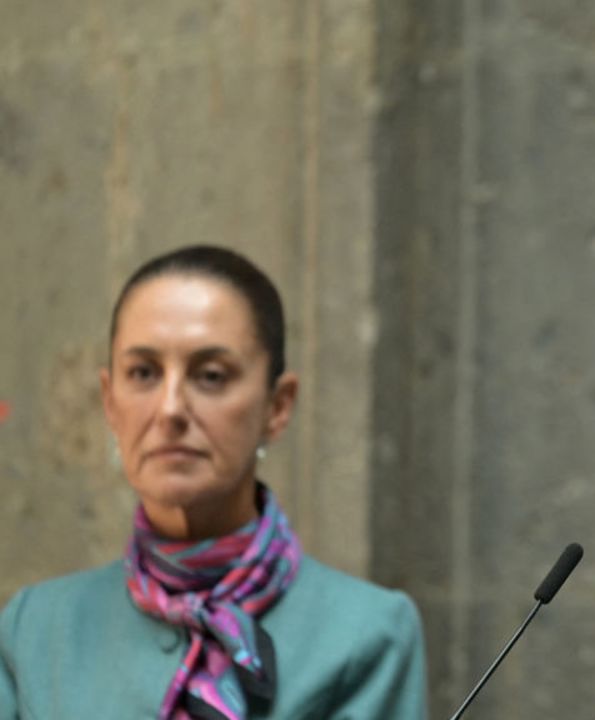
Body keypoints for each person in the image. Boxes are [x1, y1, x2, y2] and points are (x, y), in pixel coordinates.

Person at [0, 246, 426, 718]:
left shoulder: (369, 634)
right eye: (143, 373)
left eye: (211, 375)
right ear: (109, 401)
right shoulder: (35, 630)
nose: (170, 409)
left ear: (278, 406)